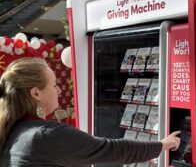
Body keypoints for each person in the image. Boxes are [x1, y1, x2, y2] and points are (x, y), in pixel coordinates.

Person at [0, 57, 180, 167]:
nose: (59, 91)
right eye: (54, 85)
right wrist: (162, 145)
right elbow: (110, 149)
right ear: (36, 93)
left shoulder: (15, 131)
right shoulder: (44, 135)